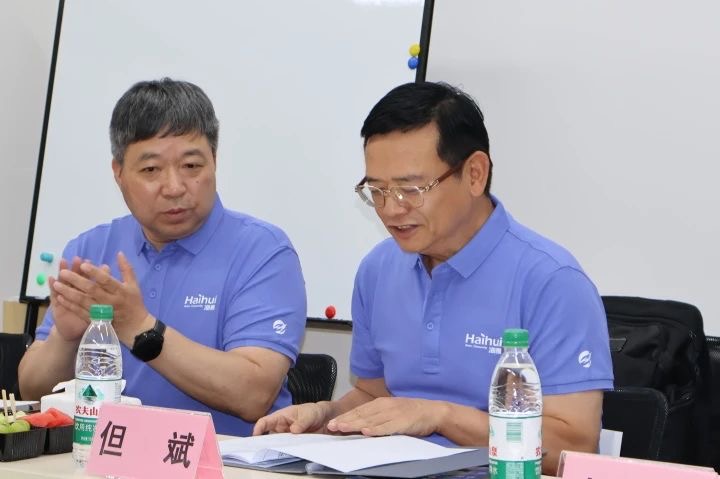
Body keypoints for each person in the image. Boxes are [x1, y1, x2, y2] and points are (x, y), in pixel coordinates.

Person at [253, 81, 614, 474]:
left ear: (475, 174)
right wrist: (327, 417)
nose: (391, 210)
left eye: (410, 189)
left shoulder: (552, 282)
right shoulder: (377, 270)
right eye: (377, 190)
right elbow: (376, 398)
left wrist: (439, 416)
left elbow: (575, 445)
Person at [18, 78, 307, 436]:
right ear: (118, 173)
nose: (174, 187)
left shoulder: (263, 251)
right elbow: (32, 391)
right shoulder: (91, 251)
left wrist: (140, 328)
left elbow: (253, 394)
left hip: (227, 461)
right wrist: (65, 339)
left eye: (191, 166)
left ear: (215, 161)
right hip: (108, 455)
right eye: (151, 170)